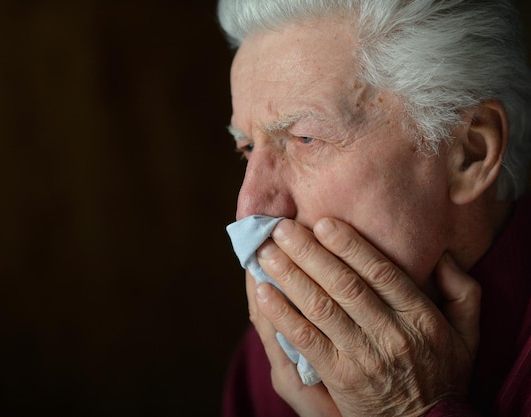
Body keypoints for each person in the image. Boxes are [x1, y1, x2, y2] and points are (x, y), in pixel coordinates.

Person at [217, 0, 531, 416]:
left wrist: (411, 410)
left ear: (470, 154)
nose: (249, 208)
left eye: (306, 139)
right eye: (248, 148)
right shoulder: (278, 358)